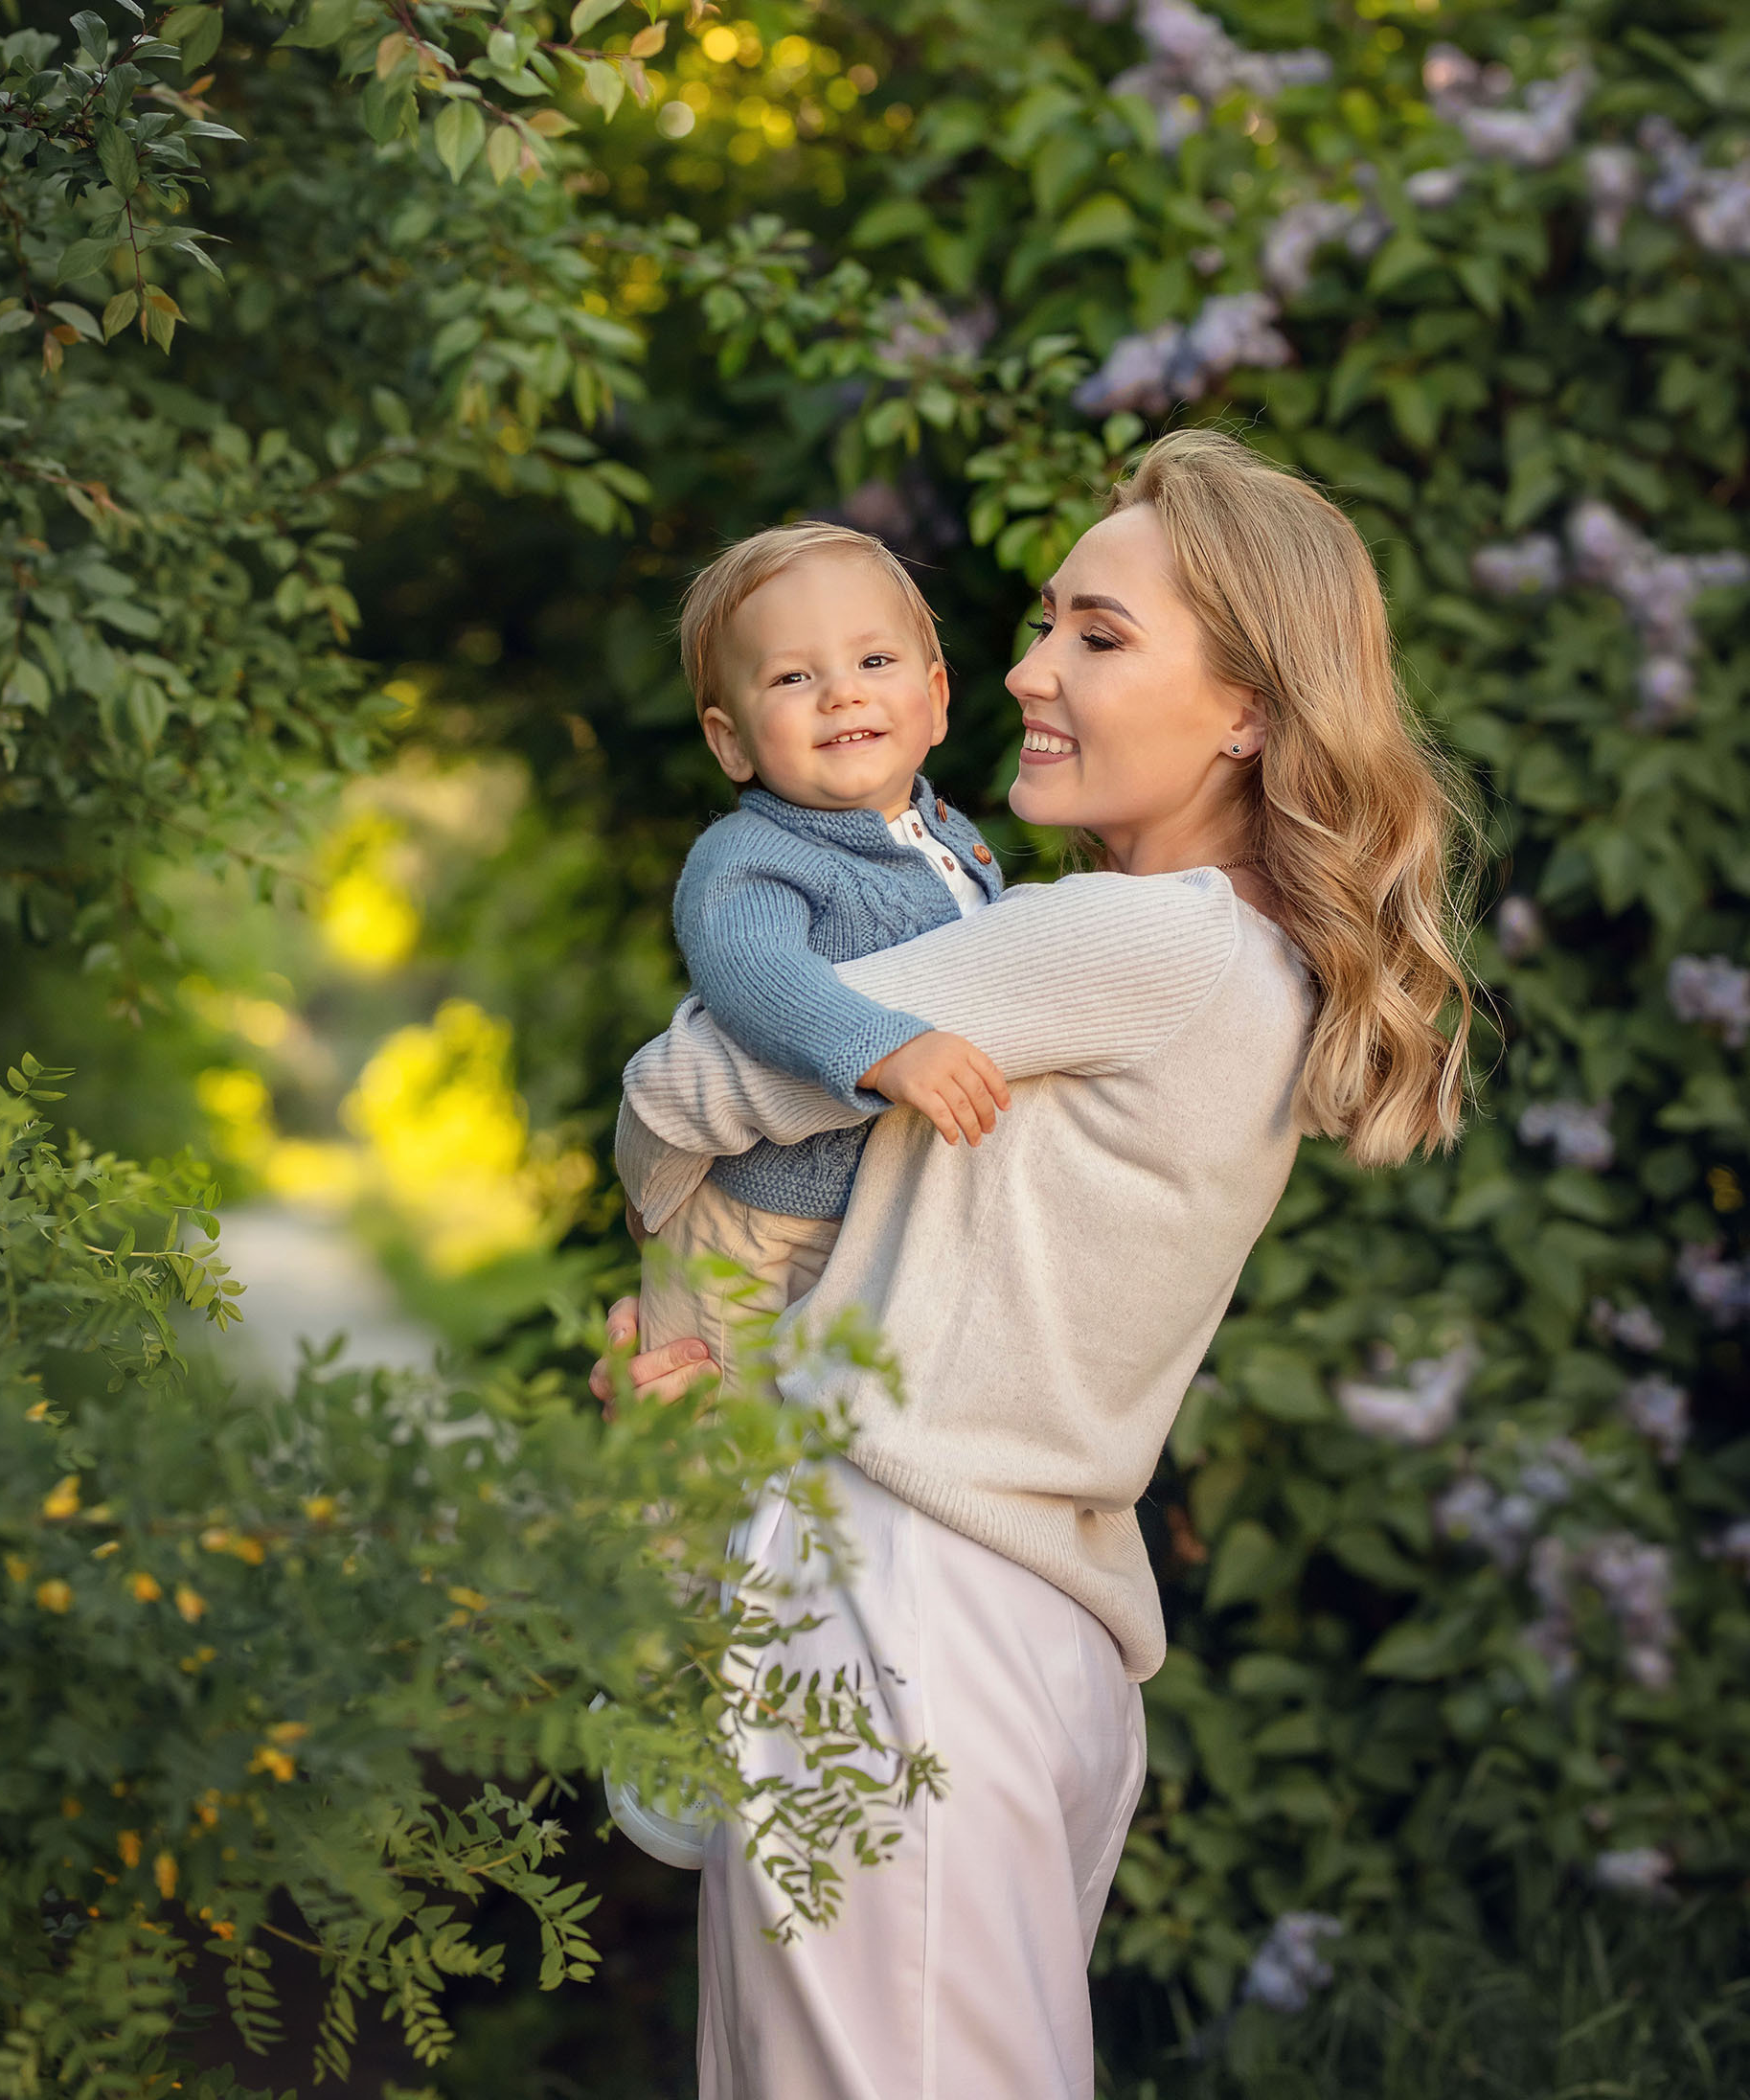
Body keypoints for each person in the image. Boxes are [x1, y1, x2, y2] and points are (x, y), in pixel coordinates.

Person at [596, 428, 1475, 2100]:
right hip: (1040, 1628)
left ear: (1250, 710)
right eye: (1046, 623)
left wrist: (672, 1262)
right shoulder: (1250, 964)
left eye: (1098, 633)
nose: (1025, 667)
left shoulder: (1121, 937)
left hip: (909, 1609)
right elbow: (939, 1263)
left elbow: (676, 1087)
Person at [637, 521, 1008, 1399]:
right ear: (731, 743)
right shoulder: (751, 855)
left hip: (871, 1223)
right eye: (794, 677)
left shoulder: (950, 836)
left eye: (874, 663)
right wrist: (885, 1045)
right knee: (715, 1438)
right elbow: (756, 978)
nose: (842, 694)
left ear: (938, 697)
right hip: (759, 1230)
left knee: (823, 1445)